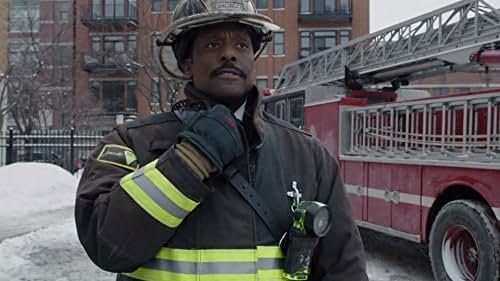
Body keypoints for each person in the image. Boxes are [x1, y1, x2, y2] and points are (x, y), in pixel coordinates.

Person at [75, 0, 368, 280]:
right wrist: (191, 161)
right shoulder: (133, 142)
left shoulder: (308, 155)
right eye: (213, 44)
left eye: (241, 45)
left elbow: (343, 269)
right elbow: (106, 246)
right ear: (187, 63)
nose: (229, 54)